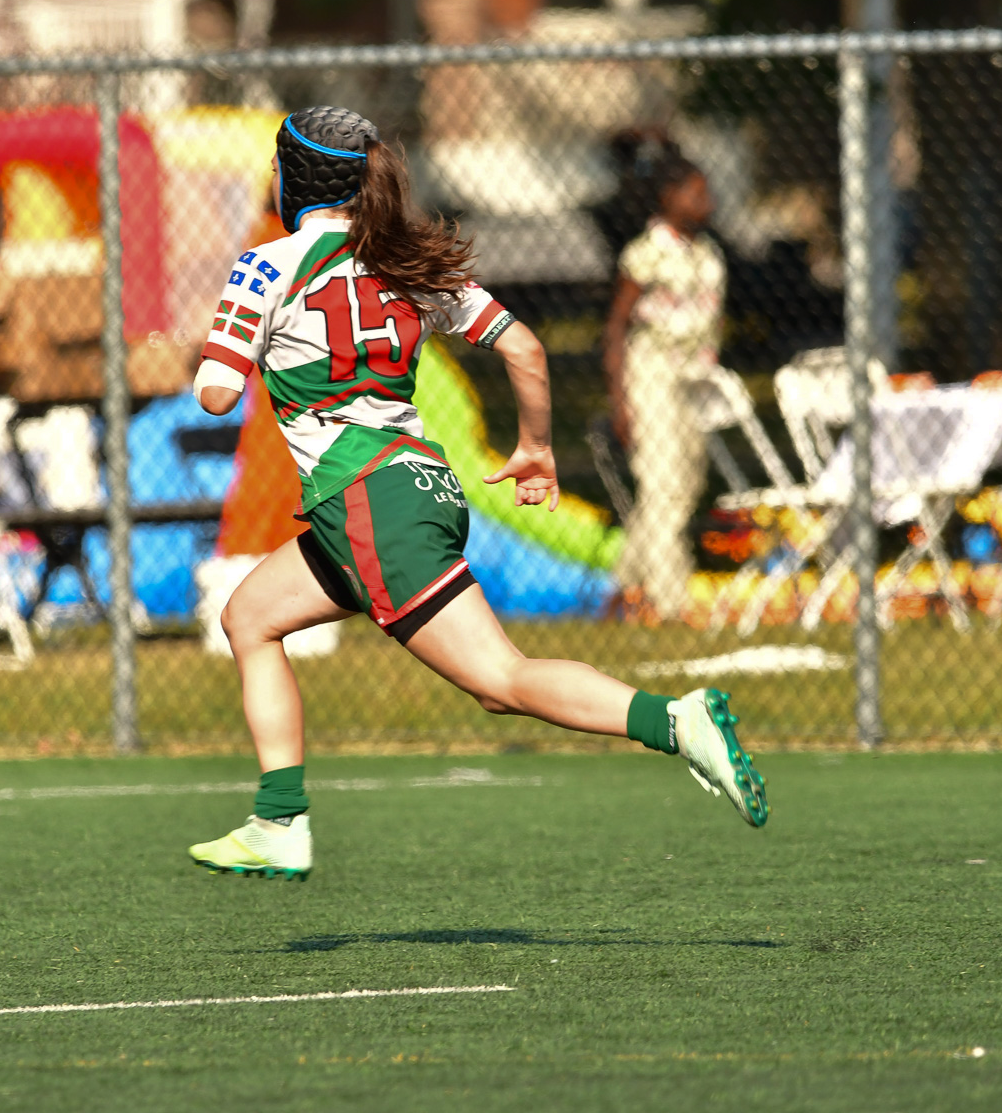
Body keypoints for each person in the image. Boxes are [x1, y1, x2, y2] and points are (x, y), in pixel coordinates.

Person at [185, 108, 767, 880]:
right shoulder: (408, 261)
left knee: (501, 681)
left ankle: (676, 721)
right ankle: (279, 818)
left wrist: (232, 340)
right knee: (250, 616)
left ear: (290, 178)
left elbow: (217, 393)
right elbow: (522, 345)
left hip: (368, 499)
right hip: (411, 484)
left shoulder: (265, 265)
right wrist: (533, 447)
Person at [600, 153, 724, 624]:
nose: (706, 202)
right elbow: (615, 328)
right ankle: (672, 602)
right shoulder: (646, 252)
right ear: (669, 198)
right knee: (662, 483)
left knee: (685, 485)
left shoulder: (708, 251)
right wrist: (621, 401)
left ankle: (621, 586)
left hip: (697, 378)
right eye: (696, 192)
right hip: (652, 374)